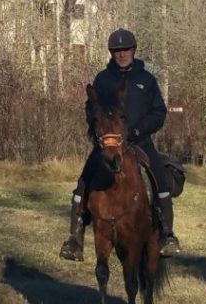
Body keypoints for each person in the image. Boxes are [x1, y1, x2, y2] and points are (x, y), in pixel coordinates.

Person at [59, 28, 181, 260]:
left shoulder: (147, 80)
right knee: (83, 183)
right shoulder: (103, 79)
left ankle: (167, 234)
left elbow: (159, 112)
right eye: (117, 51)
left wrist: (137, 130)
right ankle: (74, 240)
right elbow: (91, 108)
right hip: (108, 144)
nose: (122, 54)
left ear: (133, 50)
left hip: (140, 141)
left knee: (160, 177)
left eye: (126, 49)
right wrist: (100, 131)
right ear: (111, 53)